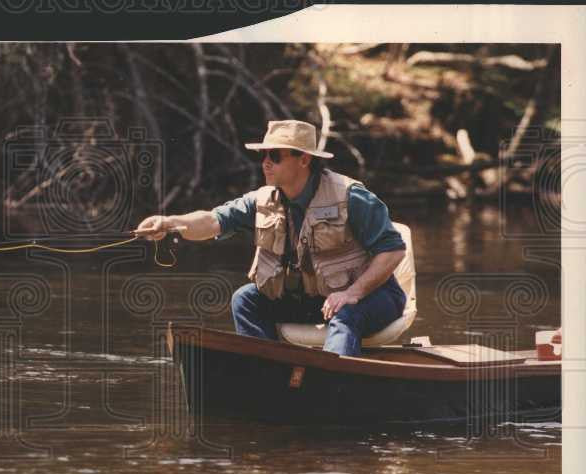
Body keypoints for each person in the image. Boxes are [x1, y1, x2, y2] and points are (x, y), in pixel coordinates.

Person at [135, 119, 407, 357]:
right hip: (315, 299)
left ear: (304, 159)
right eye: (263, 154)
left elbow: (393, 250)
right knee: (245, 300)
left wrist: (352, 293)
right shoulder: (263, 200)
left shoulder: (352, 197)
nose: (266, 162)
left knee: (345, 314)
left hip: (373, 297)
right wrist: (170, 223)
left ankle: (336, 384)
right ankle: (267, 371)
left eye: (275, 156)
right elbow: (212, 221)